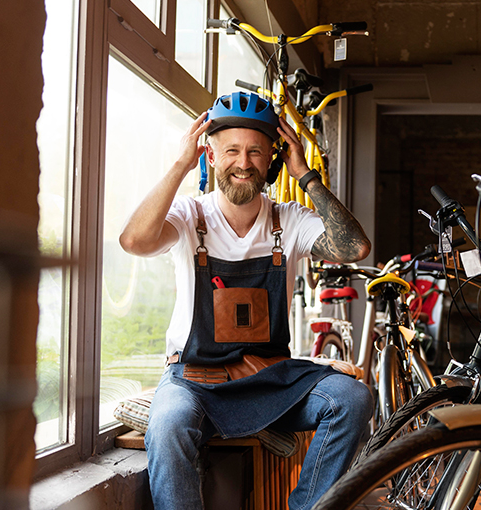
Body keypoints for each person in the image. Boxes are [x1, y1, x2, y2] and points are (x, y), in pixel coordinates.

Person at [119, 91, 374, 510]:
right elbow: (134, 240)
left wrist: (306, 174)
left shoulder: (287, 220)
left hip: (270, 381)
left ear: (272, 157)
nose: (244, 163)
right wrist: (180, 164)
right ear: (211, 155)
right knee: (167, 425)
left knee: (352, 399)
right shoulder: (189, 216)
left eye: (256, 152)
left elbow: (355, 248)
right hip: (195, 382)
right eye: (232, 150)